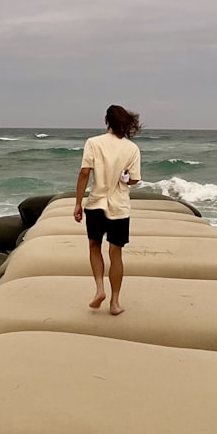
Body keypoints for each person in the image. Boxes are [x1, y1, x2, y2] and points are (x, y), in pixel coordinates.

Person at [74, 104, 142, 315]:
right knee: (116, 253)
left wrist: (78, 202)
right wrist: (124, 178)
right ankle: (115, 303)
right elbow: (134, 179)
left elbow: (85, 172)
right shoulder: (132, 148)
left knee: (94, 246)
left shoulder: (93, 143)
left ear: (106, 121)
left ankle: (99, 289)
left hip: (96, 204)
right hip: (120, 207)